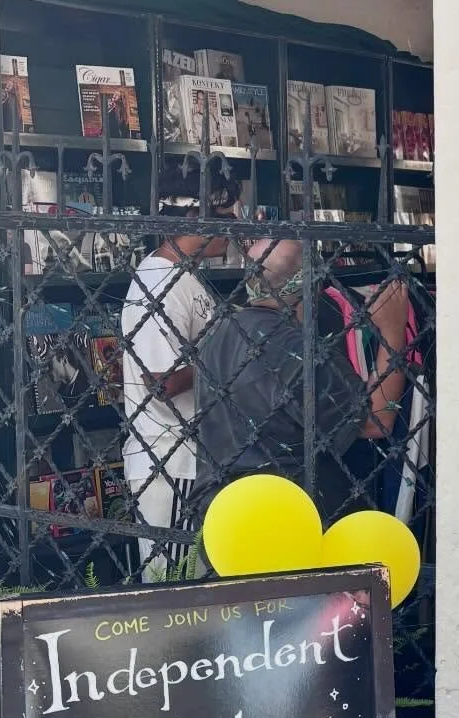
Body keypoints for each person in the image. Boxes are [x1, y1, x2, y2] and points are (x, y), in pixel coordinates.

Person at [192, 238, 411, 522]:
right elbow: (376, 421)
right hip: (288, 518)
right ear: (314, 284)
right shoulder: (296, 348)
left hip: (224, 514)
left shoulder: (218, 332)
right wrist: (393, 331)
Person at [120, 166, 238, 578]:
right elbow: (161, 382)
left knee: (196, 586)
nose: (234, 227)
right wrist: (227, 353)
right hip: (169, 461)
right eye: (224, 217)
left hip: (188, 457)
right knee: (177, 592)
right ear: (193, 218)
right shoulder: (159, 280)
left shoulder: (183, 278)